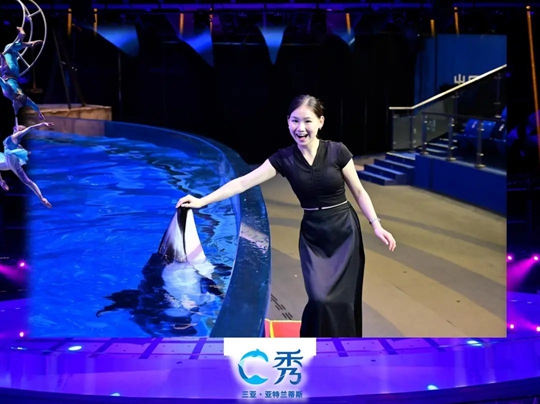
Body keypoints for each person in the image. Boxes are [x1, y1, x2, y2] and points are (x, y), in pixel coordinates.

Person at [176, 95, 396, 337]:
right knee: (320, 299)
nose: (300, 128)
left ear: (321, 122)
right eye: (295, 121)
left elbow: (360, 192)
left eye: (307, 121)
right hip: (314, 235)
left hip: (344, 232)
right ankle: (313, 343)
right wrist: (202, 201)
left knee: (343, 301)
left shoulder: (337, 152)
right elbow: (242, 183)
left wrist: (376, 225)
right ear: (288, 122)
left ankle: (343, 347)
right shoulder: (284, 158)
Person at [0, 121, 53, 208]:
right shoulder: (14, 139)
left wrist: (42, 124)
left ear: (19, 130)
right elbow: (20, 148)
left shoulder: (17, 135)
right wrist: (26, 152)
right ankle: (1, 182)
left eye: (18, 127)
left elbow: (30, 128)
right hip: (7, 161)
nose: (15, 127)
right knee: (27, 181)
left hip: (13, 162)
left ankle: (42, 198)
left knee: (27, 181)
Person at [1, 26, 45, 120]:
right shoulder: (9, 93)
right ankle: (29, 43)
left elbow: (33, 104)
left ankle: (22, 37)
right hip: (8, 71)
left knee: (12, 51)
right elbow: (1, 82)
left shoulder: (23, 98)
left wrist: (39, 113)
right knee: (8, 48)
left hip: (16, 72)